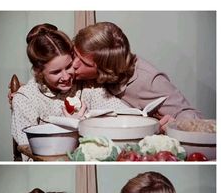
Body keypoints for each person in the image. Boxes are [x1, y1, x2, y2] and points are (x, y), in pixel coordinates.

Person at [11, 23, 129, 150]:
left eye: (68, 66)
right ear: (38, 71)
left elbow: (121, 114)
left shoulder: (87, 85)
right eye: (56, 72)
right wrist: (71, 126)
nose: (66, 77)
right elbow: (28, 154)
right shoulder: (26, 100)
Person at [73, 22, 204, 130]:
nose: (73, 64)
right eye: (75, 54)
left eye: (84, 63)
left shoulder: (148, 80)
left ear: (105, 70)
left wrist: (176, 124)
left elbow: (194, 117)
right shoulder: (74, 68)